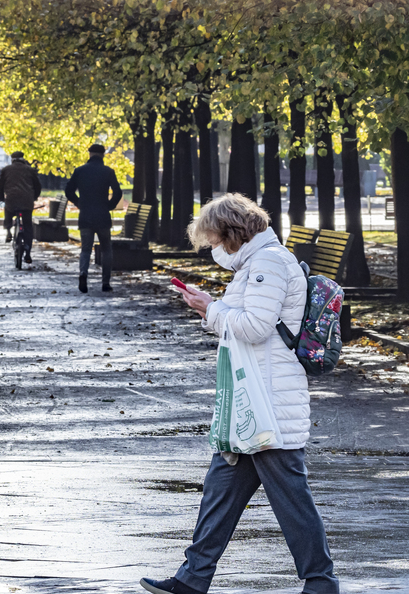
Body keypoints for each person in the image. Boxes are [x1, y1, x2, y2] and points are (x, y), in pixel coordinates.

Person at [140, 193, 339, 594]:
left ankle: (321, 583)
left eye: (213, 240)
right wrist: (209, 309)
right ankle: (193, 578)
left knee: (292, 500)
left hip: (268, 400)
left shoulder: (268, 262)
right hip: (252, 399)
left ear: (232, 234)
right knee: (221, 490)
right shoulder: (257, 261)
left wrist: (210, 308)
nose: (213, 249)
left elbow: (254, 327)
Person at [65, 144, 123, 293]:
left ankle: (83, 273)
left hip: (86, 216)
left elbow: (68, 190)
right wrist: (109, 206)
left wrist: (79, 202)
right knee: (106, 250)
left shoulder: (80, 171)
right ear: (103, 155)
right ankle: (105, 283)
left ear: (90, 154)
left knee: (85, 249)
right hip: (103, 216)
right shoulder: (108, 172)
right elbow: (117, 192)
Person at [0, 150, 42, 263]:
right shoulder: (30, 170)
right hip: (27, 201)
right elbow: (38, 186)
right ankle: (27, 251)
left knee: (8, 212)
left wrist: (2, 198)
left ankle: (8, 231)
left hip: (11, 199)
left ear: (12, 159)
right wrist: (34, 197)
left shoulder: (6, 170)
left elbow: (0, 186)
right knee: (27, 226)